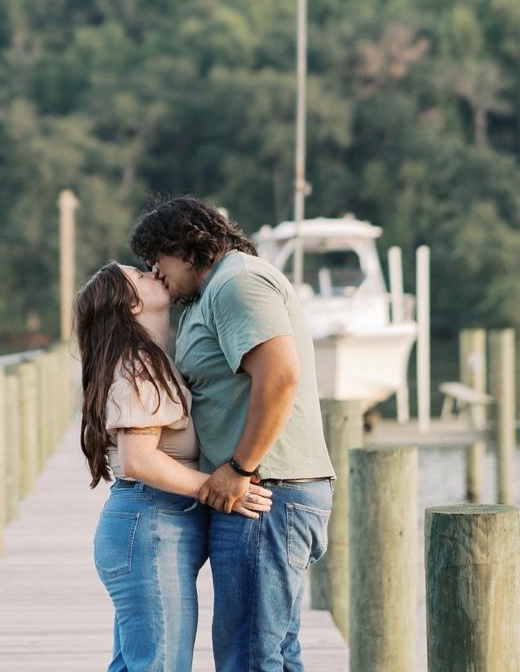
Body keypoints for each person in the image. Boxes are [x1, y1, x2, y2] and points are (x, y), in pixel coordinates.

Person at [130, 196, 334, 672]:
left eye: (154, 259)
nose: (153, 272)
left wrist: (239, 468)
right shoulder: (218, 290)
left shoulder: (237, 284)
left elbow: (281, 375)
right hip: (270, 494)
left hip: (266, 494)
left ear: (182, 247)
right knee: (274, 655)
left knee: (248, 657)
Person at [73, 260, 274, 672]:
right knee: (160, 664)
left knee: (139, 664)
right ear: (129, 305)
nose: (152, 271)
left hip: (150, 527)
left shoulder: (155, 360)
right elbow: (138, 459)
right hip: (148, 527)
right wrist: (222, 488)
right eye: (140, 276)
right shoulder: (141, 366)